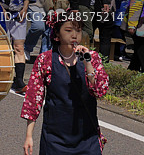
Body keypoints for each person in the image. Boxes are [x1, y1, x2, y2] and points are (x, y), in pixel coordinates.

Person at [21, 10, 109, 155]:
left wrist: (88, 64)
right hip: (55, 137)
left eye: (78, 30)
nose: (74, 35)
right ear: (57, 34)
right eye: (68, 30)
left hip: (87, 135)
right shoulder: (45, 60)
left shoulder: (92, 57)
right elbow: (33, 99)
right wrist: (29, 136)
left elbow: (100, 91)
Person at [123, 0, 144, 71]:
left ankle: (132, 72)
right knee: (140, 50)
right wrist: (132, 25)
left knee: (138, 54)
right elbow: (135, 5)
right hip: (140, 25)